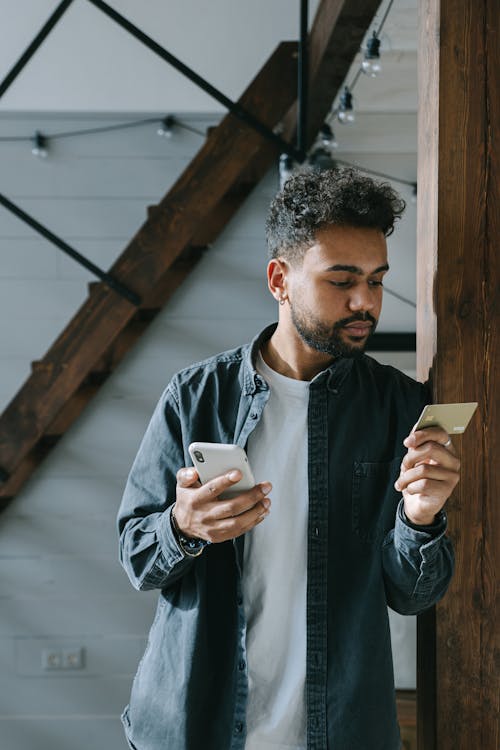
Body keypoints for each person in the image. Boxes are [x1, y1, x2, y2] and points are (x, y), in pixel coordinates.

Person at [117, 168, 458, 750]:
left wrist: (421, 518)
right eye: (342, 280)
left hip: (341, 730)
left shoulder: (403, 408)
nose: (365, 303)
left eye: (376, 281)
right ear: (280, 279)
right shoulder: (196, 397)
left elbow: (412, 596)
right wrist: (182, 526)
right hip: (196, 725)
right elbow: (137, 558)